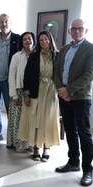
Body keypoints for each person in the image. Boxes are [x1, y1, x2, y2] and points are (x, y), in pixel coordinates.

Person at [54, 19, 93, 186]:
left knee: (84, 134)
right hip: (63, 96)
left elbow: (89, 75)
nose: (77, 31)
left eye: (80, 28)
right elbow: (56, 71)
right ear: (70, 31)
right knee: (70, 131)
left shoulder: (90, 49)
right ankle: (73, 162)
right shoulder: (64, 49)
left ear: (86, 30)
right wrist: (60, 90)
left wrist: (68, 90)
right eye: (74, 29)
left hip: (81, 97)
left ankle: (88, 170)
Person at [21, 30, 59, 162]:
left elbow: (60, 75)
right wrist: (26, 94)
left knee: (47, 119)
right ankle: (36, 147)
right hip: (36, 90)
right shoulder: (34, 56)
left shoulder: (57, 55)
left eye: (46, 39)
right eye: (41, 40)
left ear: (50, 40)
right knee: (35, 118)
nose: (44, 42)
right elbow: (26, 76)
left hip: (51, 91)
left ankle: (46, 147)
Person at [0, 13, 20, 144]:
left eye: (6, 21)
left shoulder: (17, 38)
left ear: (10, 23)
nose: (4, 24)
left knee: (10, 109)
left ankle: (12, 137)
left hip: (8, 81)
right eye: (1, 22)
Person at [7, 32, 35, 152]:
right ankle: (18, 144)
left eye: (29, 38)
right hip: (19, 91)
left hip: (34, 92)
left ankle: (30, 144)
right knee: (18, 120)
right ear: (22, 42)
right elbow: (11, 76)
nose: (27, 41)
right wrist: (13, 95)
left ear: (33, 40)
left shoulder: (38, 55)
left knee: (31, 120)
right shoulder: (17, 56)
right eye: (25, 39)